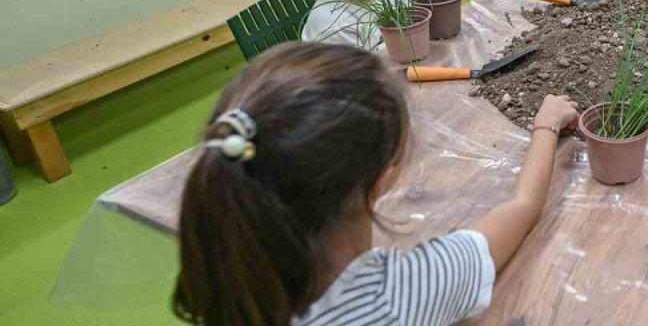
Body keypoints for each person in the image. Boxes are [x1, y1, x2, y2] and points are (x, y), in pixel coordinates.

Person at [171, 42, 581, 326]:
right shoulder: (397, 295)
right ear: (383, 179)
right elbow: (523, 207)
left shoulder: (229, 277)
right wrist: (546, 124)